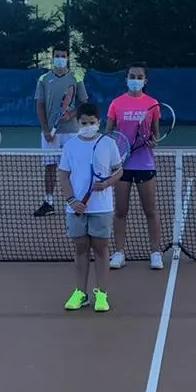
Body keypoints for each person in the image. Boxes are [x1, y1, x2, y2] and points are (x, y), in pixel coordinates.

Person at [58, 102, 123, 313]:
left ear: (99, 122)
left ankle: (101, 294)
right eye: (83, 123)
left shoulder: (108, 144)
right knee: (81, 249)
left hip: (102, 208)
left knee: (102, 249)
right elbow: (64, 175)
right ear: (78, 122)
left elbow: (118, 171)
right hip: (76, 209)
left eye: (91, 123)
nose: (88, 126)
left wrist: (106, 184)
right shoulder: (70, 146)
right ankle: (80, 293)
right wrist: (71, 200)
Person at [105, 62, 165, 271]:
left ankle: (155, 253)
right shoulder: (116, 104)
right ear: (126, 78)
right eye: (132, 76)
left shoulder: (152, 104)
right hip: (121, 165)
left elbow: (155, 135)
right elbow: (108, 135)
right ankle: (119, 253)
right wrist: (114, 156)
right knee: (121, 211)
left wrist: (153, 142)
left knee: (150, 210)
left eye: (140, 77)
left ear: (145, 80)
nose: (135, 80)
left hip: (145, 163)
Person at [34, 46, 86, 217]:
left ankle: (76, 201)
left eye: (63, 56)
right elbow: (40, 106)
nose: (60, 58)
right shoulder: (44, 78)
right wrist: (46, 130)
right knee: (50, 167)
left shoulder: (75, 78)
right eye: (57, 56)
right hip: (50, 133)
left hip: (71, 132)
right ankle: (48, 202)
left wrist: (71, 114)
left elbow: (84, 104)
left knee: (74, 168)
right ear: (52, 57)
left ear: (67, 58)